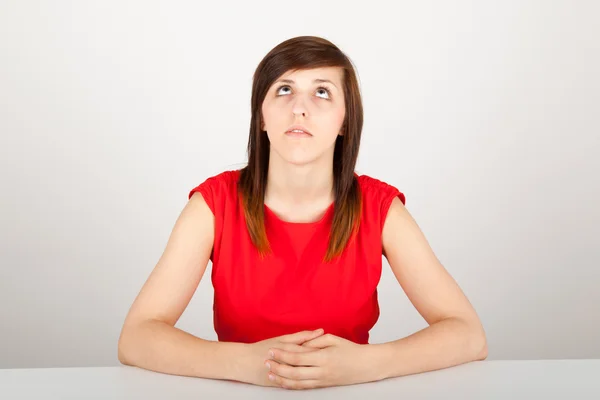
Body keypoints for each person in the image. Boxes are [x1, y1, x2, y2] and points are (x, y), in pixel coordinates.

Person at [117, 35, 487, 390]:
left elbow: (468, 334)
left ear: (345, 121)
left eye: (322, 92)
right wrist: (245, 363)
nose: (299, 107)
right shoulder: (213, 205)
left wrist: (369, 364)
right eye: (284, 89)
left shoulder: (379, 208)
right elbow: (136, 337)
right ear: (261, 116)